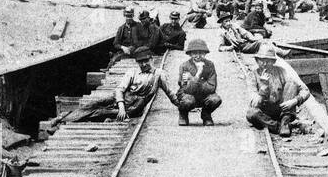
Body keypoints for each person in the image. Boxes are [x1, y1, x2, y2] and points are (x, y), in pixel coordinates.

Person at [43, 47, 175, 130]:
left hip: (135, 106)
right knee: (93, 104)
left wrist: (184, 106)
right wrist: (121, 106)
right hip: (122, 99)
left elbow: (170, 93)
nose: (143, 64)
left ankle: (65, 121)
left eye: (146, 61)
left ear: (151, 59)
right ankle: (62, 117)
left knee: (100, 112)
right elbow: (119, 90)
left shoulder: (159, 74)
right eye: (140, 62)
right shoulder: (132, 72)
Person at [245, 42, 310, 137]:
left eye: (268, 61)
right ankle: (279, 127)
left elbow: (305, 90)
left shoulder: (281, 71)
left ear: (273, 62)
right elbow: (255, 103)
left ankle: (285, 121)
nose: (264, 64)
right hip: (264, 112)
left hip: (281, 109)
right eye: (261, 60)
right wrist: (263, 86)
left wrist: (294, 101)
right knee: (251, 113)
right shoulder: (252, 75)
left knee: (292, 84)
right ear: (257, 60)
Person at [173, 37, 222, 126]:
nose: (198, 56)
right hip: (188, 95)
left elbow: (212, 87)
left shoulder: (210, 65)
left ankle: (206, 115)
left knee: (215, 99)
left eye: (201, 53)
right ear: (190, 54)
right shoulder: (184, 66)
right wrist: (198, 76)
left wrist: (193, 78)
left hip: (204, 95)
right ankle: (183, 114)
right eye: (195, 53)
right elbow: (187, 89)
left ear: (205, 53)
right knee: (188, 101)